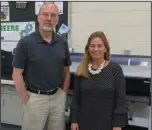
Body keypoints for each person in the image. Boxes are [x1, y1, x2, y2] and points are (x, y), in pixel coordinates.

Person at [12, 3, 71, 130]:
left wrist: (63, 95)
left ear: (57, 20)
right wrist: (27, 101)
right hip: (35, 99)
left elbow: (66, 72)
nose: (49, 18)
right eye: (45, 14)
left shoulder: (62, 42)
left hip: (57, 98)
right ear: (39, 17)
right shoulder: (25, 43)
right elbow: (16, 74)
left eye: (53, 15)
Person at [70, 31, 128, 130]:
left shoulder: (115, 69)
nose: (96, 49)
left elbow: (120, 100)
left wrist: (117, 124)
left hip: (107, 124)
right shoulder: (82, 69)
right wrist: (74, 120)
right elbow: (76, 98)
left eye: (99, 46)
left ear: (105, 48)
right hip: (84, 123)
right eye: (92, 46)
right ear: (88, 48)